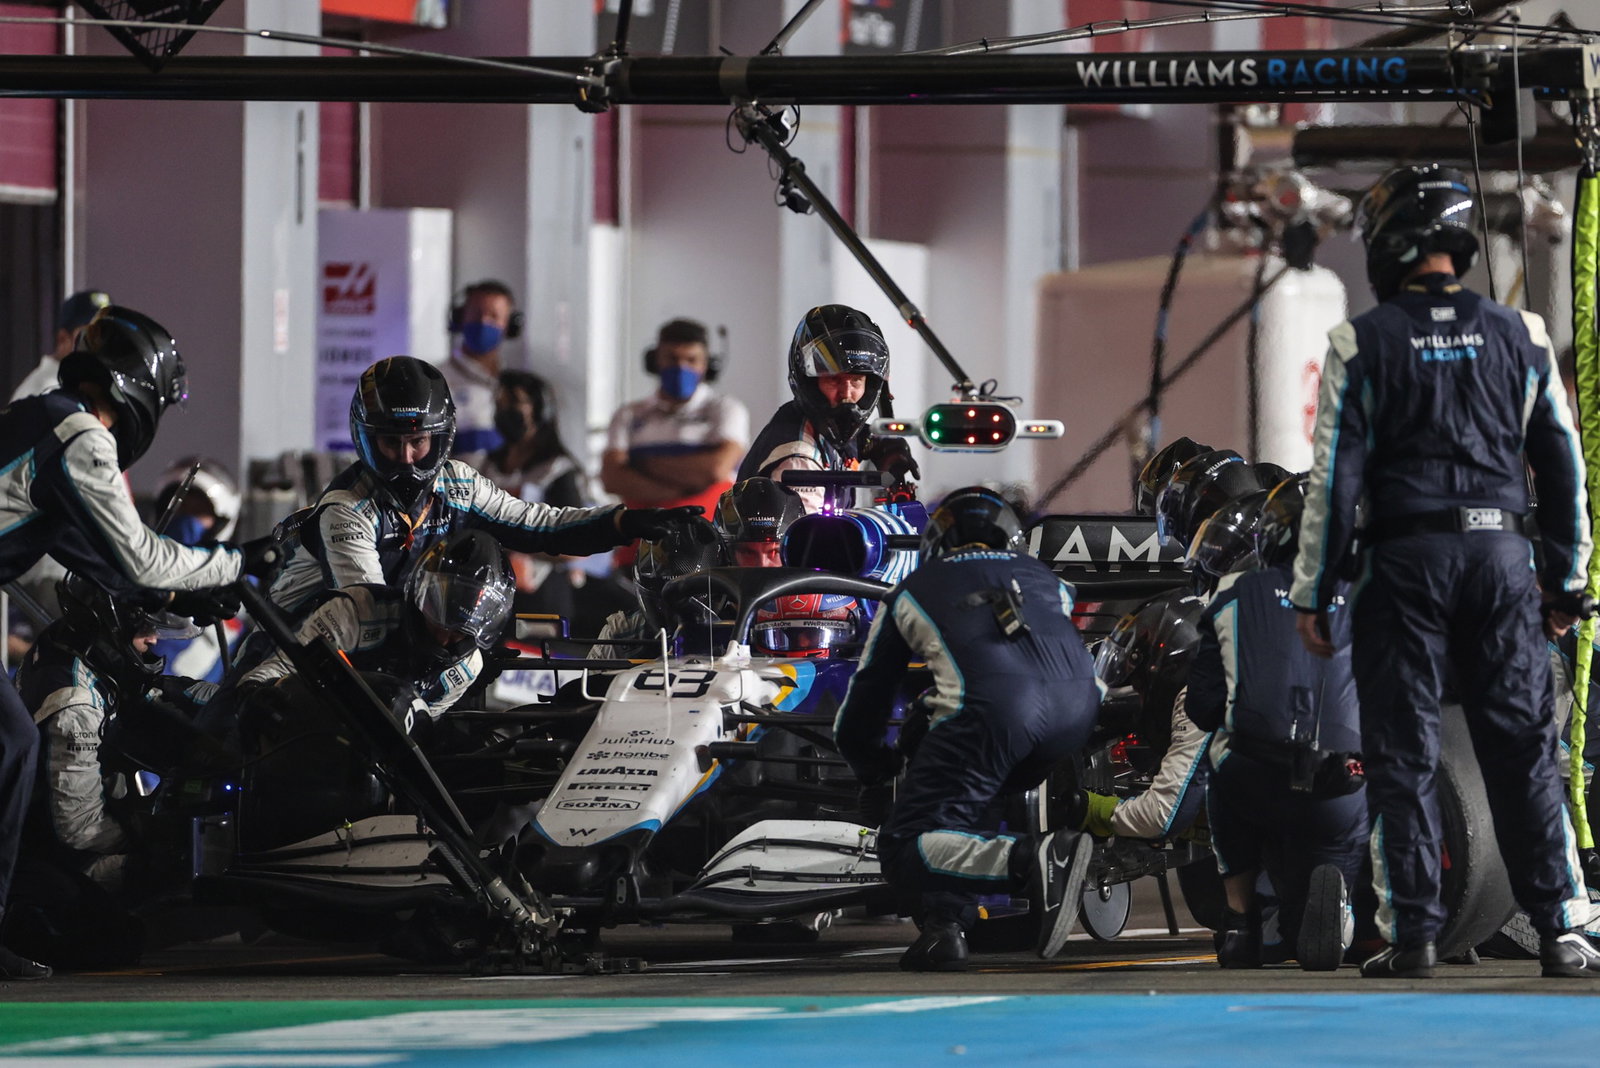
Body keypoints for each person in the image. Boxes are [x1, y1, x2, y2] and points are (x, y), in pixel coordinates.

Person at [1293, 164, 1600, 979]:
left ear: (1387, 245)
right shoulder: (1523, 333)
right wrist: (1566, 584)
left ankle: (1416, 935)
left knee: (1404, 754)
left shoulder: (1360, 341)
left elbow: (1332, 481)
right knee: (1524, 749)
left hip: (1402, 565)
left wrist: (1312, 591)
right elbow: (1563, 467)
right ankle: (1562, 928)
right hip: (1503, 560)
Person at [0, 306, 257, 979]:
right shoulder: (81, 434)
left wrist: (179, 592)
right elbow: (139, 559)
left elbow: (96, 558)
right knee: (11, 743)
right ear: (139, 389)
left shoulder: (42, 418)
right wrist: (237, 564)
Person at [832, 487, 1098, 971]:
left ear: (937, 541)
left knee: (903, 842)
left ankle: (1028, 860)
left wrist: (875, 766)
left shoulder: (915, 587)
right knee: (963, 798)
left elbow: (865, 702)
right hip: (1078, 710)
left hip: (998, 710)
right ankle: (944, 929)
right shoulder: (1045, 578)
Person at [267, 356, 708, 622]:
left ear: (439, 437)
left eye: (418, 442)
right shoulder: (347, 508)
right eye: (390, 442)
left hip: (387, 644)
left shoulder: (458, 483)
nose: (406, 458)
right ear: (366, 438)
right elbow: (366, 612)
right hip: (297, 651)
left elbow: (542, 526)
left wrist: (624, 521)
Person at [1188, 480, 1366, 971]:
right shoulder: (1375, 597)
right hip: (1343, 785)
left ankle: (1241, 919)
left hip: (1253, 777)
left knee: (1218, 759)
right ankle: (1341, 891)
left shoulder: (1230, 592)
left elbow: (1202, 707)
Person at [238, 531, 513, 724]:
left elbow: (425, 735)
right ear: (420, 591)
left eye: (459, 632)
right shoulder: (355, 611)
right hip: (314, 729)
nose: (444, 637)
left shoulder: (468, 667)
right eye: (438, 615)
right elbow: (280, 669)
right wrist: (254, 694)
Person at [740, 305, 918, 513]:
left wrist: (881, 446)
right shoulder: (798, 460)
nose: (846, 393)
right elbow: (811, 540)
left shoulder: (815, 425)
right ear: (811, 383)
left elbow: (850, 440)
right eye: (834, 380)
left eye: (857, 380)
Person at [602, 319, 749, 564]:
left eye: (691, 360)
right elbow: (611, 477)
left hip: (710, 553)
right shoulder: (629, 415)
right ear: (655, 361)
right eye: (671, 358)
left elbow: (716, 468)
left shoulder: (726, 410)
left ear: (706, 365)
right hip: (640, 551)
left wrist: (644, 465)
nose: (681, 367)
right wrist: (687, 489)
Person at [467, 370, 594, 619]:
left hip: (541, 595)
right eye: (500, 403)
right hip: (489, 593)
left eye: (514, 402)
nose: (505, 410)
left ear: (540, 408)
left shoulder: (557, 470)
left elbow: (577, 544)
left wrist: (515, 542)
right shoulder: (488, 465)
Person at [442, 279, 523, 455]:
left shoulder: (518, 385)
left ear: (510, 326)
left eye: (494, 316)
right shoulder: (437, 380)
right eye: (476, 313)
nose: (483, 321)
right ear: (460, 317)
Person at [9, 289, 112, 401]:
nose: (101, 343)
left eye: (105, 334)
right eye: (91, 334)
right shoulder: (47, 389)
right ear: (63, 339)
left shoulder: (81, 383)